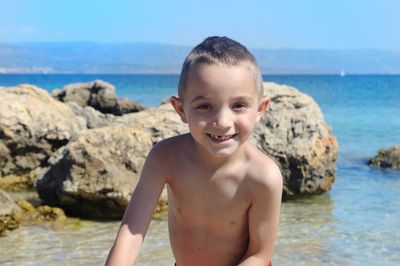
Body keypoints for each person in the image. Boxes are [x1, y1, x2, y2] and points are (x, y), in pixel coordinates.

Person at [106, 36, 283, 266]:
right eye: (205, 106)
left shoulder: (263, 176)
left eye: (238, 105)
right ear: (181, 109)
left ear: (260, 109)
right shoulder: (166, 157)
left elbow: (259, 254)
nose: (222, 122)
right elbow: (131, 232)